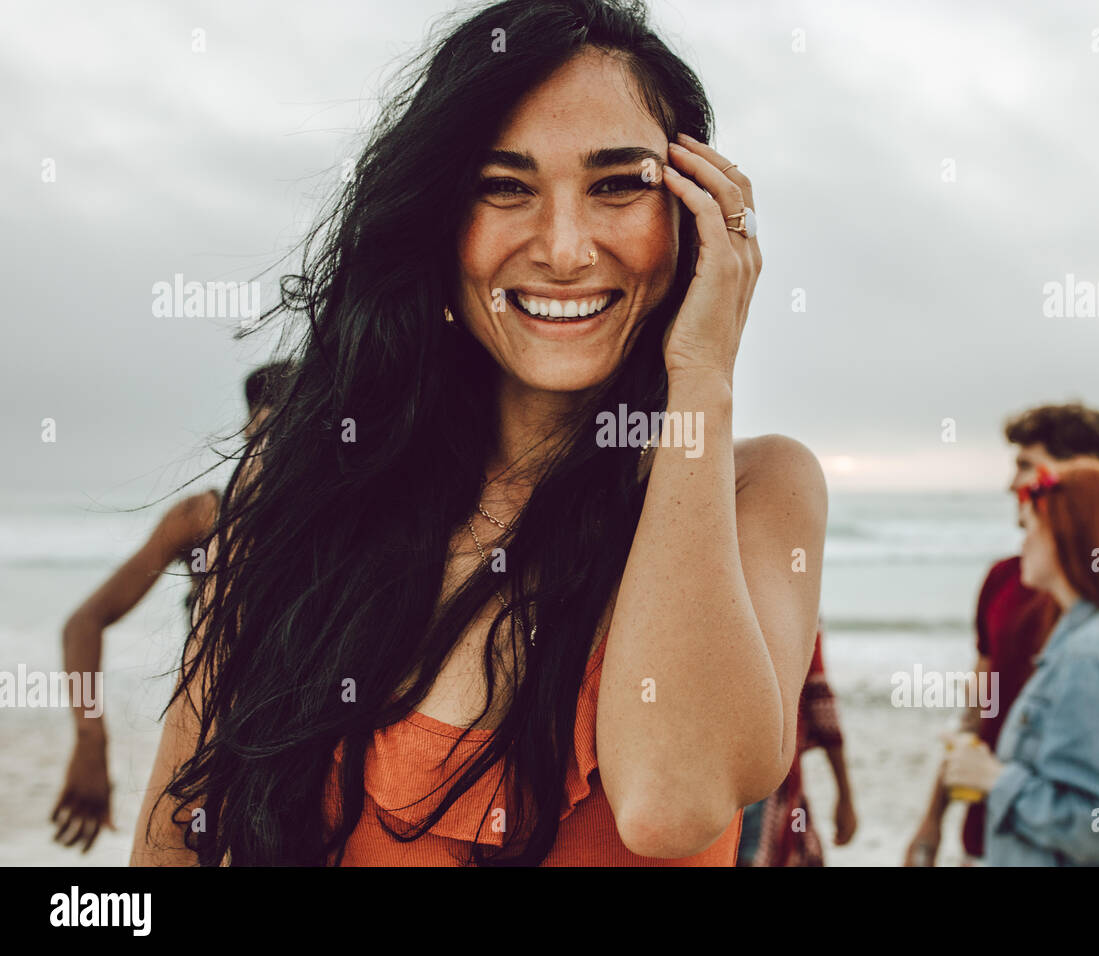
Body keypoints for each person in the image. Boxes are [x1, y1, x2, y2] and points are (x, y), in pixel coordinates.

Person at [130, 0, 827, 867]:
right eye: (505, 187)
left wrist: (703, 377)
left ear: (694, 216)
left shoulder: (759, 492)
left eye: (619, 185)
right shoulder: (306, 481)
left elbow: (669, 805)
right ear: (437, 225)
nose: (566, 249)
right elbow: (169, 843)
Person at [905, 402, 1099, 865]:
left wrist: (997, 781)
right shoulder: (1005, 582)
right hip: (997, 841)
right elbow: (979, 708)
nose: (1012, 485)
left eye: (1026, 468)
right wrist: (933, 821)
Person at [50, 362, 290, 853]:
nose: (273, 450)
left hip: (298, 770)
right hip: (207, 759)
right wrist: (90, 742)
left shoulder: (340, 531)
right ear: (247, 434)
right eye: (262, 433)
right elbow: (84, 623)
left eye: (287, 432)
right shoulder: (206, 519)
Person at [737, 619, 856, 866]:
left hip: (768, 781)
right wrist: (844, 795)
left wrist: (845, 795)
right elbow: (819, 697)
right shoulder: (791, 592)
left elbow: (818, 697)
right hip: (763, 778)